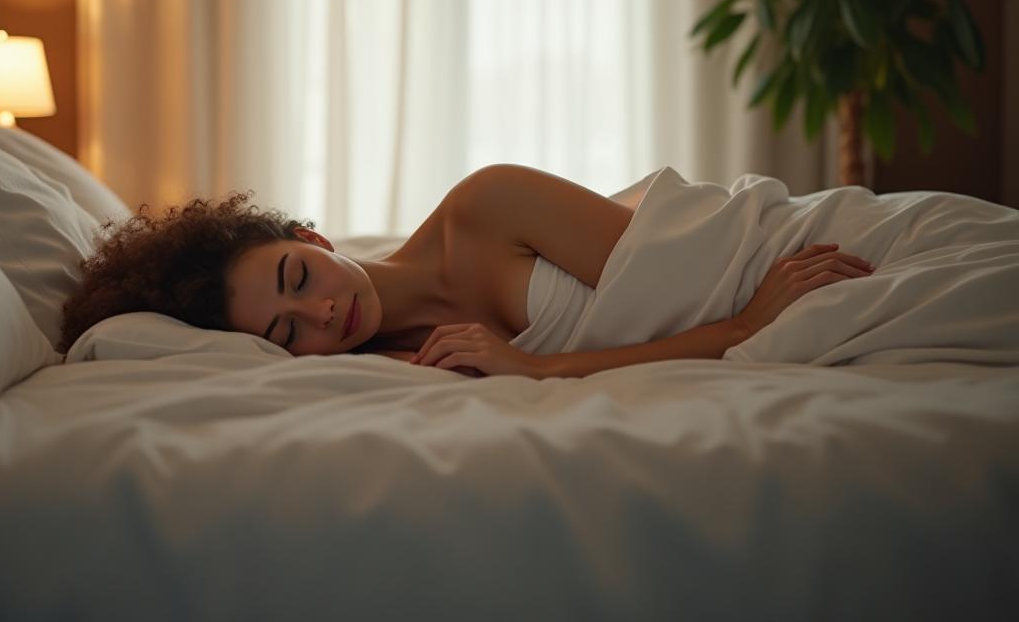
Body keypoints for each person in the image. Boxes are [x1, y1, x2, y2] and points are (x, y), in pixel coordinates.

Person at [59, 164, 874, 377]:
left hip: (814, 250)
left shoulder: (486, 206)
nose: (321, 317)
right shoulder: (393, 364)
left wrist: (537, 369)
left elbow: (706, 275)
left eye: (300, 279)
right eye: (284, 332)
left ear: (313, 235)